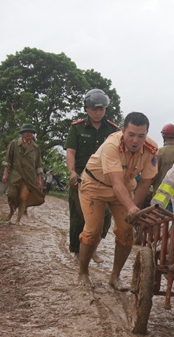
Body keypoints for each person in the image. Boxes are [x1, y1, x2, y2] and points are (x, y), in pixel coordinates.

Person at [77, 112, 158, 290]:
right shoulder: (111, 145)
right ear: (123, 131)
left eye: (141, 136)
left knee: (126, 232)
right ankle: (83, 272)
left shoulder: (151, 149)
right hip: (95, 186)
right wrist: (130, 207)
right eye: (131, 134)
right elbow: (116, 181)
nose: (135, 140)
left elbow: (145, 182)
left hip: (124, 190)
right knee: (93, 231)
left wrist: (134, 209)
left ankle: (115, 276)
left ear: (147, 134)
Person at [65, 89, 119, 263]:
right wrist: (72, 172)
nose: (98, 112)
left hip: (104, 179)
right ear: (86, 109)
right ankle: (77, 251)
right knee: (79, 216)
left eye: (101, 109)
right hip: (81, 177)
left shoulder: (113, 130)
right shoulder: (77, 128)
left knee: (104, 217)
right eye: (94, 109)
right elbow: (71, 152)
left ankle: (92, 248)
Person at [2, 123, 45, 225]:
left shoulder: (36, 147)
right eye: (26, 132)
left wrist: (39, 180)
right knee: (11, 195)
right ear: (22, 133)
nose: (29, 134)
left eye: (31, 132)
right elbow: (7, 160)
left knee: (23, 198)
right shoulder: (14, 144)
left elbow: (38, 165)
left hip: (29, 177)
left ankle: (18, 220)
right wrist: (5, 174)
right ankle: (12, 211)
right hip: (16, 175)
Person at [149, 123, 174, 210]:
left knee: (159, 222)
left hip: (161, 199)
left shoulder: (159, 152)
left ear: (163, 136)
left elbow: (152, 176)